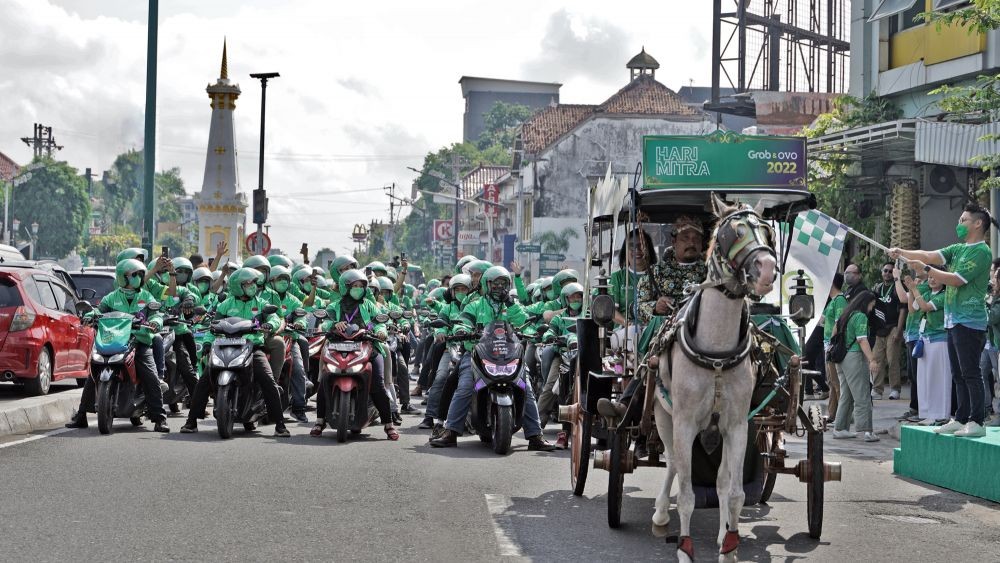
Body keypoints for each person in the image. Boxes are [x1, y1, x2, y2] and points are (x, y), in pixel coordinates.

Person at [889, 203, 994, 438]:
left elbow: (956, 279)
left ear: (978, 223)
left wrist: (926, 268)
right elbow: (929, 255)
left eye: (963, 220)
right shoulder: (958, 249)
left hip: (970, 320)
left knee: (970, 372)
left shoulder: (981, 251)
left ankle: (977, 421)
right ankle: (961, 417)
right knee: (958, 373)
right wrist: (902, 253)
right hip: (953, 320)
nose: (959, 224)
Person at [429, 266, 556, 451]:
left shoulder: (511, 306)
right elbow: (462, 320)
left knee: (526, 388)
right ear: (486, 285)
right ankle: (451, 431)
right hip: (476, 353)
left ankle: (536, 435)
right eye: (495, 283)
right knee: (464, 387)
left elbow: (524, 322)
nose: (499, 287)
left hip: (509, 354)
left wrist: (535, 333)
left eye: (503, 283)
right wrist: (461, 330)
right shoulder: (475, 304)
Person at [179, 268, 290, 437]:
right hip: (225, 346)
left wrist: (270, 325)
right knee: (205, 379)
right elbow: (213, 325)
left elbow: (274, 318)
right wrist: (208, 343)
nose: (253, 285)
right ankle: (191, 421)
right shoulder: (225, 304)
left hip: (253, 348)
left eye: (254, 282)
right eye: (248, 283)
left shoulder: (260, 303)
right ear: (238, 286)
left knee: (267, 379)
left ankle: (280, 424)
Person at [65, 259, 169, 432]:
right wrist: (90, 315)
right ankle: (81, 415)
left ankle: (160, 419)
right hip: (112, 341)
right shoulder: (112, 297)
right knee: (93, 375)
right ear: (123, 277)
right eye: (134, 275)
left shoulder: (146, 296)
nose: (139, 278)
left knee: (151, 376)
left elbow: (155, 314)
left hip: (139, 341)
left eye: (140, 275)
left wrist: (155, 322)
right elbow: (99, 310)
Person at [310, 269, 398, 440]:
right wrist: (334, 325)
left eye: (361, 286)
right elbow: (326, 322)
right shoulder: (335, 305)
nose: (358, 289)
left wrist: (380, 332)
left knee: (378, 383)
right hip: (337, 347)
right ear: (345, 287)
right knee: (324, 379)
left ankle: (389, 424)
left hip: (368, 346)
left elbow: (379, 322)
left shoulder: (369, 305)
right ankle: (320, 421)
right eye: (354, 286)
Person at [831, 290, 880, 442]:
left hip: (841, 358)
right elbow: (862, 340)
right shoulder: (860, 316)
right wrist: (872, 359)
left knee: (847, 394)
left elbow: (833, 333)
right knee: (863, 394)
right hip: (854, 358)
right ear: (866, 303)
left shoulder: (846, 315)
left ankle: (840, 428)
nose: (872, 308)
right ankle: (867, 431)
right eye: (872, 305)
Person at [904, 268, 950, 425]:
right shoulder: (928, 293)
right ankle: (927, 412)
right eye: (930, 277)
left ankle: (941, 413)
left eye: (935, 277)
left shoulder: (944, 296)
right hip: (925, 340)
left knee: (938, 378)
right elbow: (912, 309)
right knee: (924, 378)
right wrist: (911, 291)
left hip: (940, 340)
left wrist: (915, 289)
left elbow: (924, 307)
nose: (931, 280)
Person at [896, 266, 929, 421]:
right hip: (911, 335)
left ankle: (920, 409)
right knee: (913, 375)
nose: (916, 267)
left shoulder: (925, 285)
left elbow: (904, 299)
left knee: (918, 375)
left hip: (919, 335)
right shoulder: (918, 284)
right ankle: (915, 407)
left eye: (920, 265)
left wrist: (897, 278)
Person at [871, 261, 904, 400]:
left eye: (890, 271)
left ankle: (895, 388)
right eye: (885, 270)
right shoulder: (877, 288)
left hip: (893, 327)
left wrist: (899, 330)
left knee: (892, 359)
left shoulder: (897, 287)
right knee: (877, 359)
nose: (887, 273)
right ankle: (877, 390)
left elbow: (903, 309)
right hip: (879, 328)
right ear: (881, 272)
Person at [819, 273, 846, 422]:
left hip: (832, 345)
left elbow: (839, 323)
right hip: (827, 344)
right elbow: (821, 320)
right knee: (831, 381)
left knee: (836, 382)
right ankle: (832, 413)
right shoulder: (831, 301)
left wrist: (831, 342)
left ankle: (842, 416)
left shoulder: (840, 300)